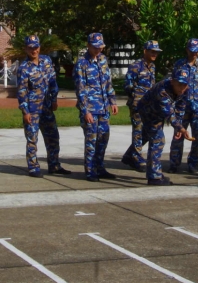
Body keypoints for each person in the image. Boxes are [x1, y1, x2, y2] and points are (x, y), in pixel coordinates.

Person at [15, 34, 68, 177]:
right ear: (26, 49)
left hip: (47, 107)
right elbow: (21, 91)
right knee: (32, 139)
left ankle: (54, 165)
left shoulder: (46, 61)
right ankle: (33, 167)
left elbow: (52, 81)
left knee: (53, 137)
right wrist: (25, 111)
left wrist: (54, 98)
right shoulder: (24, 68)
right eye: (31, 48)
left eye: (36, 47)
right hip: (32, 109)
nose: (34, 50)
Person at [134, 66, 193, 185]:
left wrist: (179, 125)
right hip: (148, 111)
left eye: (184, 84)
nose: (182, 88)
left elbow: (180, 108)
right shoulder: (163, 91)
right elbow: (169, 114)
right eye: (179, 84)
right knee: (158, 140)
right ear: (172, 81)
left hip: (159, 112)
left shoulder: (186, 89)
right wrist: (180, 128)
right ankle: (154, 177)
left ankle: (130, 156)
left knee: (147, 136)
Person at [75, 32, 117, 181]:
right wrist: (85, 110)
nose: (98, 50)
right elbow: (80, 90)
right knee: (91, 141)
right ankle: (90, 170)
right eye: (95, 47)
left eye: (100, 47)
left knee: (103, 139)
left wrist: (112, 100)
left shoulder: (103, 60)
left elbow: (108, 81)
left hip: (104, 108)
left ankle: (100, 167)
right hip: (91, 110)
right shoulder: (82, 64)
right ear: (88, 46)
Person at [169, 39, 198, 173]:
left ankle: (193, 164)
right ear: (187, 50)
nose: (194, 54)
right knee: (178, 135)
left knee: (196, 137)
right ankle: (174, 163)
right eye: (191, 51)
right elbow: (174, 83)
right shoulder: (179, 65)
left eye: (196, 51)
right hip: (182, 106)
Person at [123, 40, 162, 172]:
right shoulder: (136, 66)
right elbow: (127, 85)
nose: (154, 54)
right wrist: (137, 97)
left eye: (156, 52)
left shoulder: (152, 67)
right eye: (152, 51)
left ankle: (130, 155)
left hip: (149, 106)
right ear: (145, 51)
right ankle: (136, 158)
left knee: (146, 133)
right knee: (138, 132)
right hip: (138, 105)